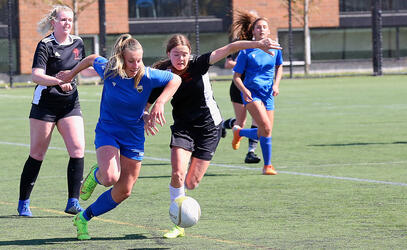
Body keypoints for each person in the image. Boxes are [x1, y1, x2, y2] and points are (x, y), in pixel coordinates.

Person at [149, 33, 281, 238]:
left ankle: (183, 202)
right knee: (177, 174)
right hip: (183, 127)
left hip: (209, 128)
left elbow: (229, 48)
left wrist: (258, 44)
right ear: (168, 54)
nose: (181, 59)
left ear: (190, 54)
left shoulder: (199, 64)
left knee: (191, 183)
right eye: (176, 55)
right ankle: (178, 223)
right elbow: (147, 99)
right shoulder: (162, 72)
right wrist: (144, 114)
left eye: (184, 54)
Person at [56, 34, 181, 240]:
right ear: (122, 59)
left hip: (133, 136)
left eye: (139, 60)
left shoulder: (148, 75)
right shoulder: (109, 70)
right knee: (110, 178)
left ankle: (83, 218)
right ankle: (97, 175)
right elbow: (89, 59)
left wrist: (160, 103)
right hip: (108, 131)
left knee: (124, 190)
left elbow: (175, 79)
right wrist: (70, 75)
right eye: (131, 61)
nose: (135, 65)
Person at [18, 5, 92, 217]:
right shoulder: (45, 45)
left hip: (70, 104)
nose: (67, 23)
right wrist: (59, 81)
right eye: (63, 20)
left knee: (78, 149)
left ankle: (73, 201)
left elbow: (83, 68)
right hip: (45, 105)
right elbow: (36, 75)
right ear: (54, 22)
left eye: (70, 20)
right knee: (37, 154)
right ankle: (23, 201)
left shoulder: (78, 42)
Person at [231, 10, 283, 175]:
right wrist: (245, 91)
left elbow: (279, 66)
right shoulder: (246, 51)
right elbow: (236, 77)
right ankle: (267, 166)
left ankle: (239, 132)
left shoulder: (275, 47)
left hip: (268, 94)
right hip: (251, 93)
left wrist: (276, 84)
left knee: (266, 131)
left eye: (264, 27)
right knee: (265, 127)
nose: (261, 30)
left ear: (269, 31)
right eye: (258, 27)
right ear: (253, 31)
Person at [222, 52, 261, 164]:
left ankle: (251, 152)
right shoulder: (238, 46)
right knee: (240, 123)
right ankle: (222, 125)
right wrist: (245, 63)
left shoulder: (261, 47)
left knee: (257, 120)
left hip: (255, 87)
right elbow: (228, 64)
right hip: (238, 87)